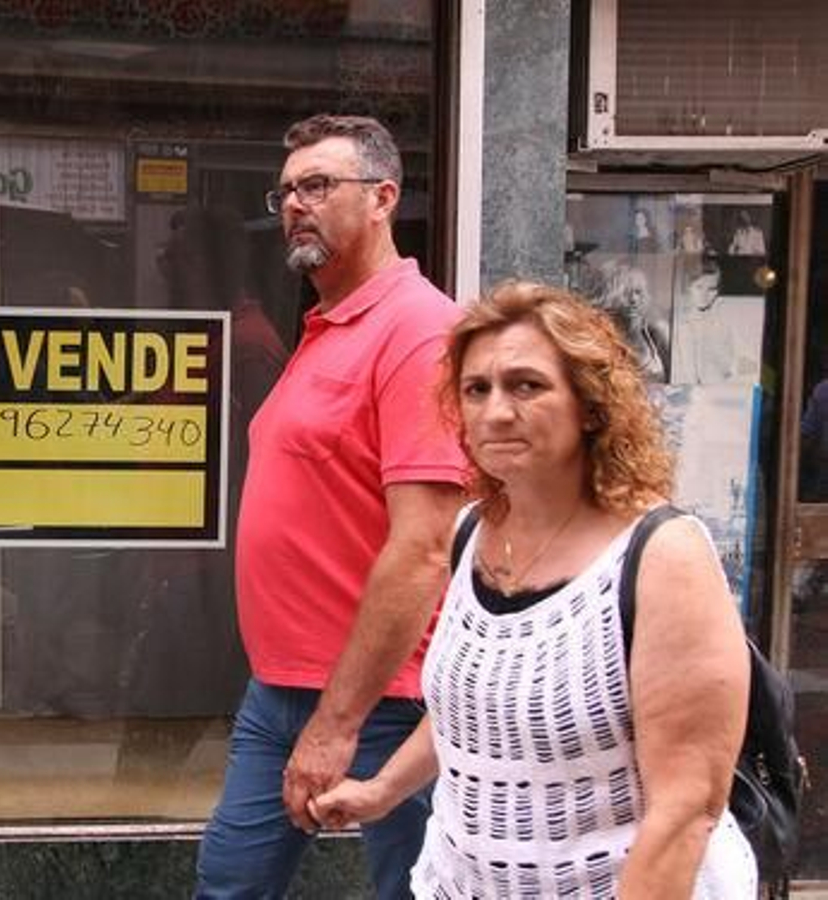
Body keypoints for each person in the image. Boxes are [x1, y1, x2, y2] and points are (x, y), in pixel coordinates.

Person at [312, 282, 756, 897]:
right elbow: (476, 707)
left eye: (527, 386)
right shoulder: (472, 531)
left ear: (591, 405)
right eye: (477, 389)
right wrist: (384, 790)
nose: (496, 411)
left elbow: (685, 811)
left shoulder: (661, 557)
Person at [194, 114, 466, 899]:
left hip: (384, 701)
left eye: (318, 185)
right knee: (227, 886)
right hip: (280, 687)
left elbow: (424, 548)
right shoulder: (325, 325)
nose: (294, 204)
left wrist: (338, 721)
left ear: (383, 198)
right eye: (285, 191)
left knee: (418, 892)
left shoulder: (419, 331)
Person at [670, 254, 738, 385]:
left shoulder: (723, 326)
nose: (704, 295)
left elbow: (729, 368)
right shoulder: (683, 326)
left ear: (718, 292)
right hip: (696, 391)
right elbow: (690, 375)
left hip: (721, 387)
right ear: (689, 288)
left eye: (711, 289)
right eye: (699, 287)